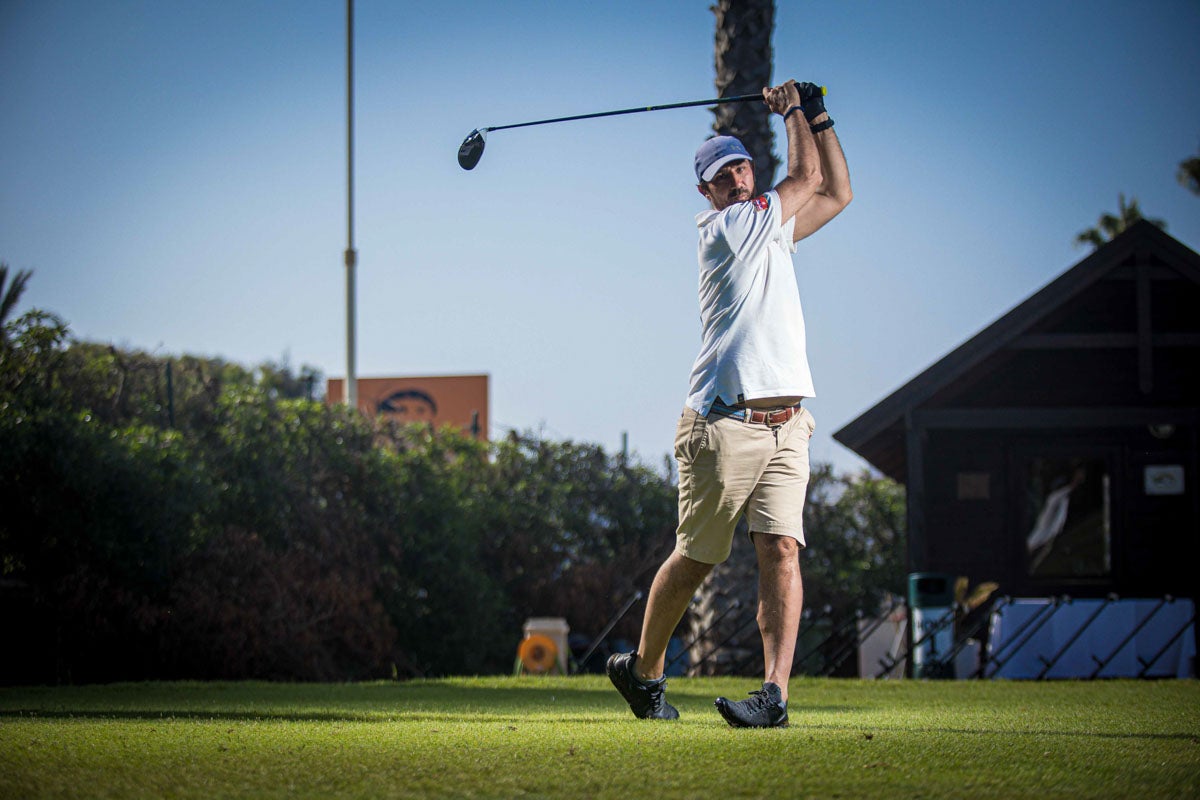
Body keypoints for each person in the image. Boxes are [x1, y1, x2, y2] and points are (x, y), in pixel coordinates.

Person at [607, 79, 852, 728]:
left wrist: (821, 114)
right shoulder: (729, 229)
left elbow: (837, 192)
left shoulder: (771, 232)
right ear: (707, 193)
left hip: (788, 425)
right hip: (723, 424)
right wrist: (795, 108)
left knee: (782, 550)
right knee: (697, 558)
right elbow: (804, 173)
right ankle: (644, 671)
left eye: (742, 167)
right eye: (723, 177)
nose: (738, 181)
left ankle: (774, 696)